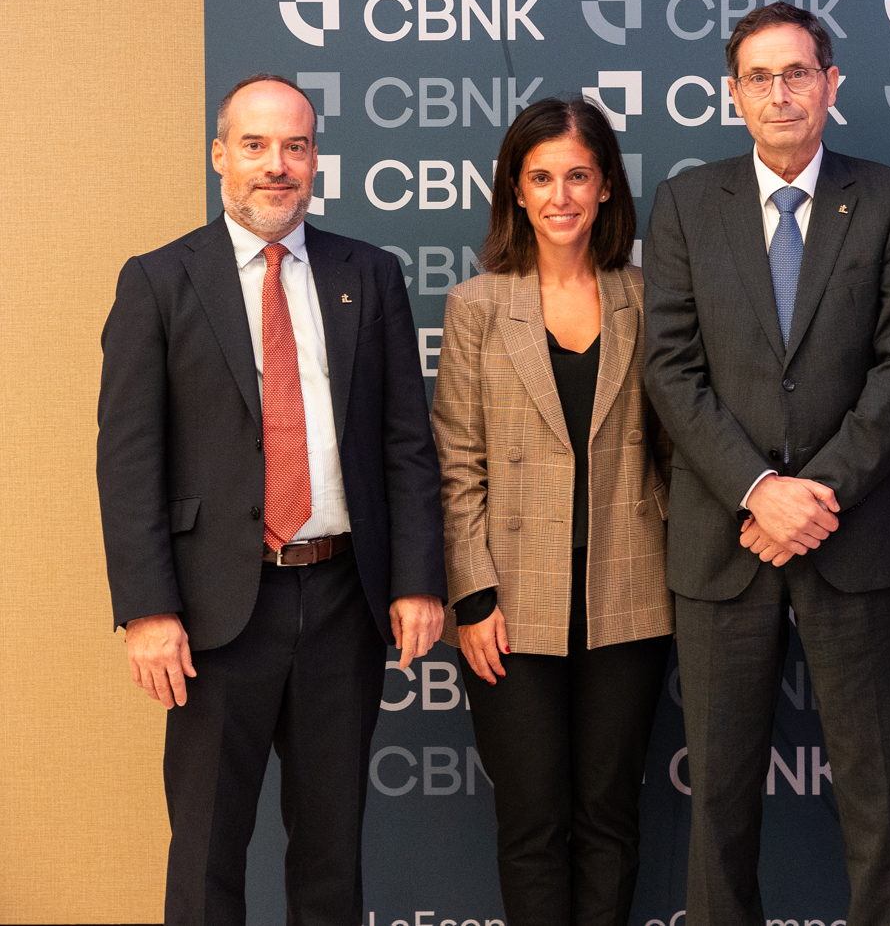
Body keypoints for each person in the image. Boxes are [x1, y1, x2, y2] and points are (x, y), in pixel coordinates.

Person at [98, 73, 444, 926]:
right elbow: (128, 461)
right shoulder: (158, 280)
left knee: (331, 850)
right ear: (220, 155)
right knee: (206, 850)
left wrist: (416, 580)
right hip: (215, 613)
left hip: (342, 599)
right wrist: (147, 609)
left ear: (316, 159)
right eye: (254, 145)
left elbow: (406, 441)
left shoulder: (371, 274)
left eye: (295, 145)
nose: (276, 164)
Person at [643, 1, 890, 926]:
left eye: (797, 72)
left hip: (855, 538)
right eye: (759, 77)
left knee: (876, 796)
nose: (780, 93)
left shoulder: (888, 199)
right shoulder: (688, 203)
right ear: (733, 94)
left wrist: (816, 496)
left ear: (831, 84)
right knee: (720, 801)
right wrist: (759, 491)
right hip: (726, 540)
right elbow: (671, 369)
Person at [432, 96, 672, 926]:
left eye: (577, 175)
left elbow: (680, 449)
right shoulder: (476, 305)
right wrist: (472, 596)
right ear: (516, 189)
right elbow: (456, 460)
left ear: (606, 186)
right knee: (532, 821)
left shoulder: (653, 297)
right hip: (510, 604)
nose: (560, 195)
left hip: (630, 591)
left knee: (609, 815)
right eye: (541, 177)